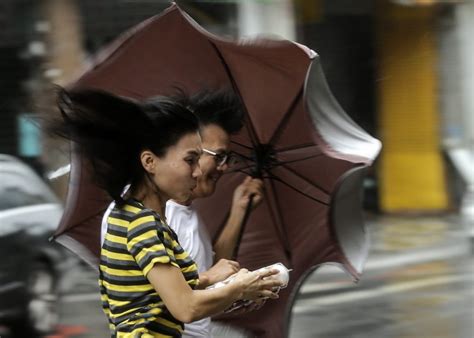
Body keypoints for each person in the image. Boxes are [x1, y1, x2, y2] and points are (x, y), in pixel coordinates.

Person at [51, 88, 282, 338]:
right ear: (149, 162)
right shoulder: (142, 225)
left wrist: (208, 279)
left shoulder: (129, 214)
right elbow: (185, 307)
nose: (197, 171)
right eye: (190, 160)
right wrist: (238, 289)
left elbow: (154, 296)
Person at [165, 90, 264, 337]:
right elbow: (172, 299)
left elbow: (214, 270)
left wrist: (239, 209)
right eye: (219, 156)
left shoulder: (188, 212)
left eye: (227, 157)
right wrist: (236, 289)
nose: (225, 167)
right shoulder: (154, 216)